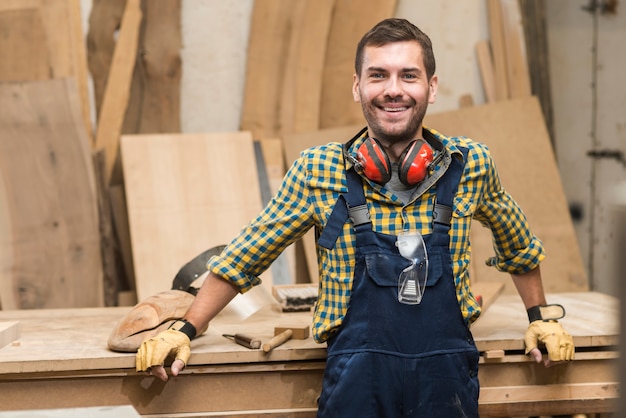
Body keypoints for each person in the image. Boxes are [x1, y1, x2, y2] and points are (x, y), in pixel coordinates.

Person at [136, 17, 575, 417]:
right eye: (378, 75)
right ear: (357, 86)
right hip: (357, 389)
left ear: (432, 87)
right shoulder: (318, 171)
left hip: (446, 387)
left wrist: (540, 318)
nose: (393, 89)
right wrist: (187, 328)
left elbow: (518, 243)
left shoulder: (470, 165)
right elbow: (247, 254)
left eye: (409, 75)